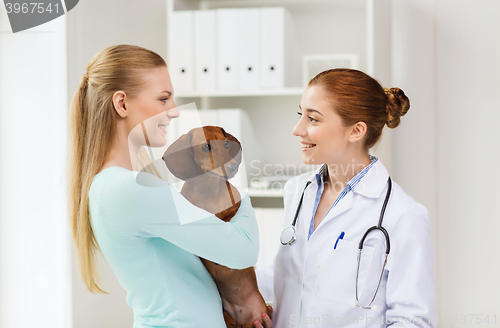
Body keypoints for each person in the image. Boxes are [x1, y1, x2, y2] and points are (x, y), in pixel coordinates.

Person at [67, 44, 272, 328]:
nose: (174, 111)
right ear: (122, 104)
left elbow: (190, 277)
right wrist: (234, 189)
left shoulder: (114, 185)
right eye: (163, 99)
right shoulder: (131, 188)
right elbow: (243, 250)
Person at [255, 68, 436, 328]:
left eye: (313, 119)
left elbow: (413, 321)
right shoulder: (297, 191)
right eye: (300, 115)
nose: (297, 129)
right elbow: (292, 275)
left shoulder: (403, 214)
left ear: (356, 131)